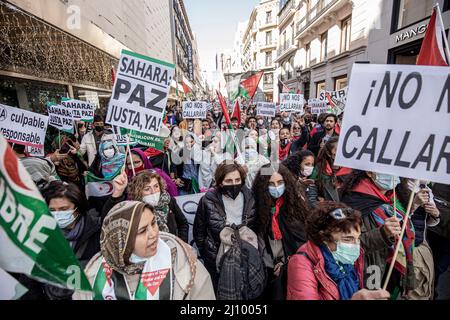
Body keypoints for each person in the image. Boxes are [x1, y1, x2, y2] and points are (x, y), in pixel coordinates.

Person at [73, 201, 215, 300]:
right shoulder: (93, 276)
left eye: (153, 223)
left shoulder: (184, 265)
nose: (154, 234)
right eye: (141, 231)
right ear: (120, 241)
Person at [287, 202, 390, 300]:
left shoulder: (344, 260)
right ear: (324, 237)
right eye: (347, 239)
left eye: (357, 238)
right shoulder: (301, 264)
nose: (356, 245)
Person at [18, 181, 102, 300]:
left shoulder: (96, 231)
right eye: (52, 210)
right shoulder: (40, 235)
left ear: (77, 208)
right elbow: (29, 278)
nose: (57, 214)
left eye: (64, 209)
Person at [340, 170, 416, 298]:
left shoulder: (395, 199)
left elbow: (406, 238)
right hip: (370, 273)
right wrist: (382, 234)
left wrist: (409, 278)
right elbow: (343, 246)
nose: (395, 175)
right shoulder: (351, 202)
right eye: (387, 169)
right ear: (370, 172)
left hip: (393, 272)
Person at [193, 161, 256, 287]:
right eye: (229, 181)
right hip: (217, 259)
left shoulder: (251, 198)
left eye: (237, 179)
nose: (234, 184)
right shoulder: (207, 200)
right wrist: (206, 253)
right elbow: (199, 231)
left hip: (247, 257)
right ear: (220, 182)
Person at [253, 164, 309, 299]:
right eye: (271, 183)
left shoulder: (295, 207)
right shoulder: (257, 208)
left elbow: (301, 241)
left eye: (279, 182)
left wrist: (286, 263)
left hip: (291, 267)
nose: (276, 187)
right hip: (267, 268)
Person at [104, 170, 189, 243]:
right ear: (138, 192)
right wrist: (117, 192)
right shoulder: (133, 209)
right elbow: (108, 219)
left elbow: (183, 224)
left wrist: (181, 244)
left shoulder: (169, 201)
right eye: (147, 189)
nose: (153, 192)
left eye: (156, 186)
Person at [395, 179, 440, 300]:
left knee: (421, 287)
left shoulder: (426, 190)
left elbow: (426, 222)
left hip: (419, 243)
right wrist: (414, 205)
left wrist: (435, 214)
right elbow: (397, 220)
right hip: (401, 246)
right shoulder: (396, 187)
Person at [311, 136, 351, 202]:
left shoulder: (351, 171)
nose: (341, 152)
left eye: (343, 149)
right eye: (337, 150)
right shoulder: (319, 169)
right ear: (329, 153)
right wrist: (319, 201)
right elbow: (311, 192)